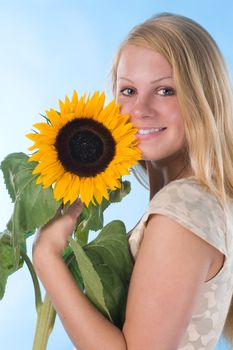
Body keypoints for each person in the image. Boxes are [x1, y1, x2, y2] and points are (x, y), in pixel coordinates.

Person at [32, 13, 233, 349]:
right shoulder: (204, 200)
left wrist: (46, 258)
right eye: (128, 90)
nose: (140, 109)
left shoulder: (182, 212)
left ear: (203, 98)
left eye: (165, 90)